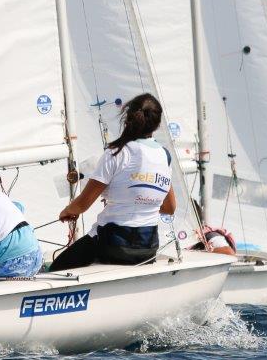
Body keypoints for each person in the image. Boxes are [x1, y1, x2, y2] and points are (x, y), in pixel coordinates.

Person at [50, 93, 176, 272]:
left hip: (112, 245)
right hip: (148, 249)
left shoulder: (116, 153)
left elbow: (83, 205)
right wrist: (143, 202)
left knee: (57, 268)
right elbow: (169, 207)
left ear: (128, 118)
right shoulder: (165, 156)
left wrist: (67, 212)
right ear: (157, 123)